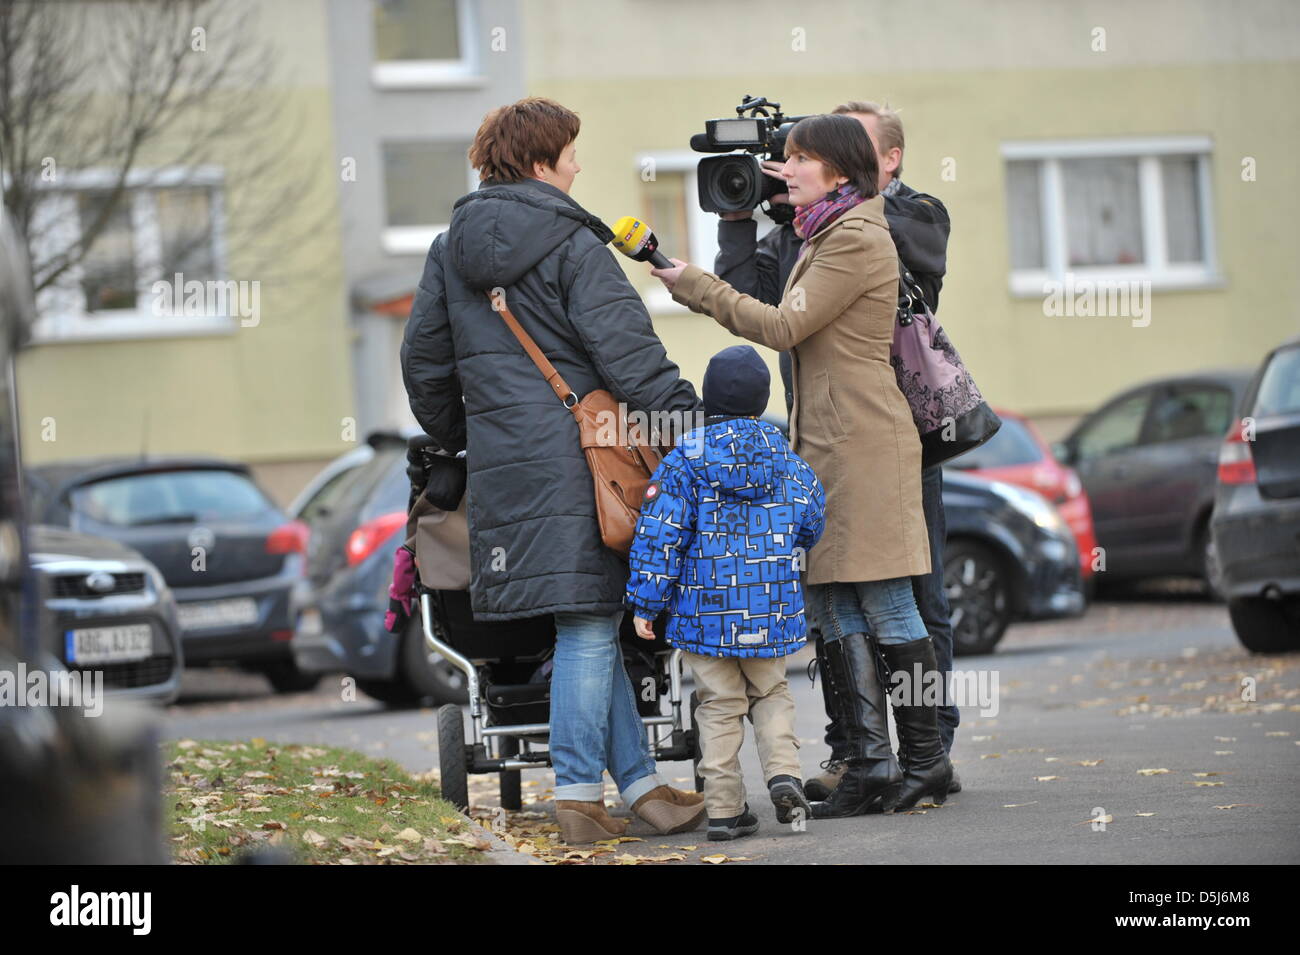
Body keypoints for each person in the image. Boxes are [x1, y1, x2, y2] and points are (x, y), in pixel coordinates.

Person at [401, 97, 706, 844]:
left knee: (585, 618)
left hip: (505, 469)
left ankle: (638, 787)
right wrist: (688, 424)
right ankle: (576, 796)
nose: (577, 165)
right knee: (590, 626)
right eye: (569, 152)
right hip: (581, 462)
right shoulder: (573, 242)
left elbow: (425, 365)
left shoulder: (449, 250)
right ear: (540, 162)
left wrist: (462, 439)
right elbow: (627, 353)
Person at [651, 113, 953, 815]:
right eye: (782, 159)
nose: (784, 170)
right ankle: (871, 763)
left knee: (887, 600)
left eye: (798, 159)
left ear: (840, 171)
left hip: (865, 443)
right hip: (832, 441)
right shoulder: (824, 231)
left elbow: (783, 326)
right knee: (832, 600)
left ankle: (927, 759)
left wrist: (693, 284)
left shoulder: (855, 236)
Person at [624, 345, 826, 840]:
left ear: (707, 399)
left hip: (702, 615)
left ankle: (724, 811)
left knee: (717, 705)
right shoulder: (784, 456)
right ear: (761, 400)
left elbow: (659, 534)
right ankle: (784, 776)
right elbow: (812, 519)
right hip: (769, 611)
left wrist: (646, 602)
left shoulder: (684, 460)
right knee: (772, 693)